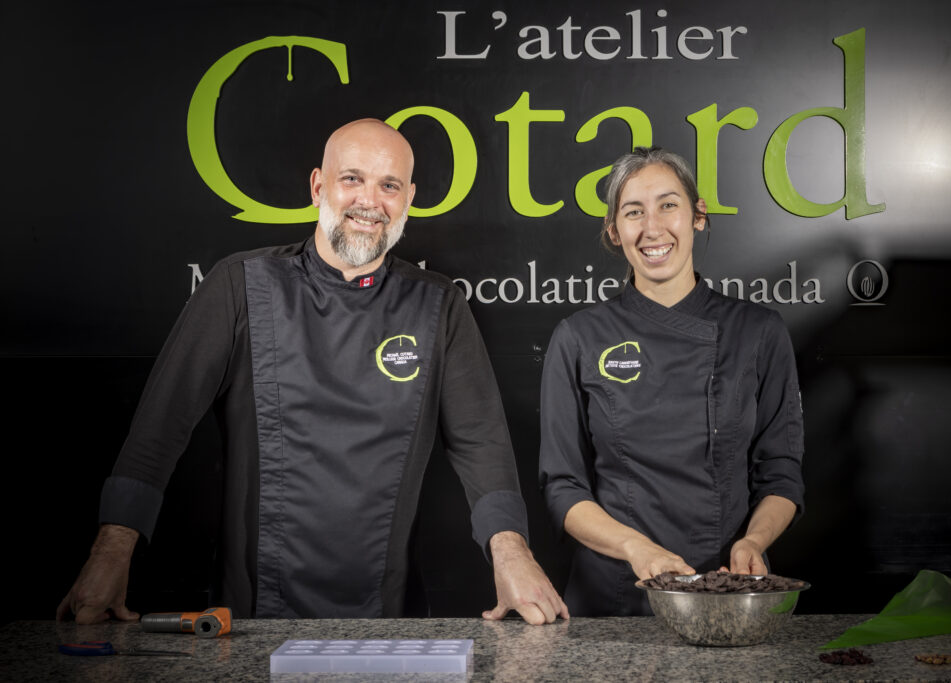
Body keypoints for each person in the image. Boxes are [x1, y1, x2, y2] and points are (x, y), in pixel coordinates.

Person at [58, 118, 568, 625]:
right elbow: (159, 429)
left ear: (408, 199)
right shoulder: (240, 286)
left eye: (389, 186)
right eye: (352, 179)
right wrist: (110, 556)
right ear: (318, 187)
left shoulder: (438, 305)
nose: (370, 201)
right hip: (254, 619)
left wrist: (512, 555)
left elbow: (481, 442)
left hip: (386, 619)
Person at [538, 147, 804, 616]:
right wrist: (635, 548)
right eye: (633, 212)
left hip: (728, 586)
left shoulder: (759, 331)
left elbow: (781, 472)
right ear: (614, 231)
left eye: (668, 205)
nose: (652, 227)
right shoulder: (578, 337)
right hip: (617, 595)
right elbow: (563, 487)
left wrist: (754, 542)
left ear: (698, 216)